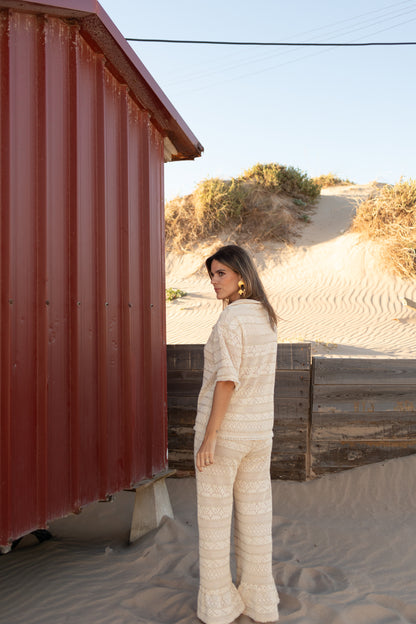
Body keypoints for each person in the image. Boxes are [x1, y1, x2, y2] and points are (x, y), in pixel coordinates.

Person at [194, 244, 279, 624]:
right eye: (211, 274)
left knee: (214, 523)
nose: (214, 281)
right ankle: (261, 604)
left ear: (241, 276)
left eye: (221, 274)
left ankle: (218, 609)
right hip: (260, 435)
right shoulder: (266, 317)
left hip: (226, 436)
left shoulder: (229, 322)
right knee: (256, 520)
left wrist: (210, 436)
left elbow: (226, 381)